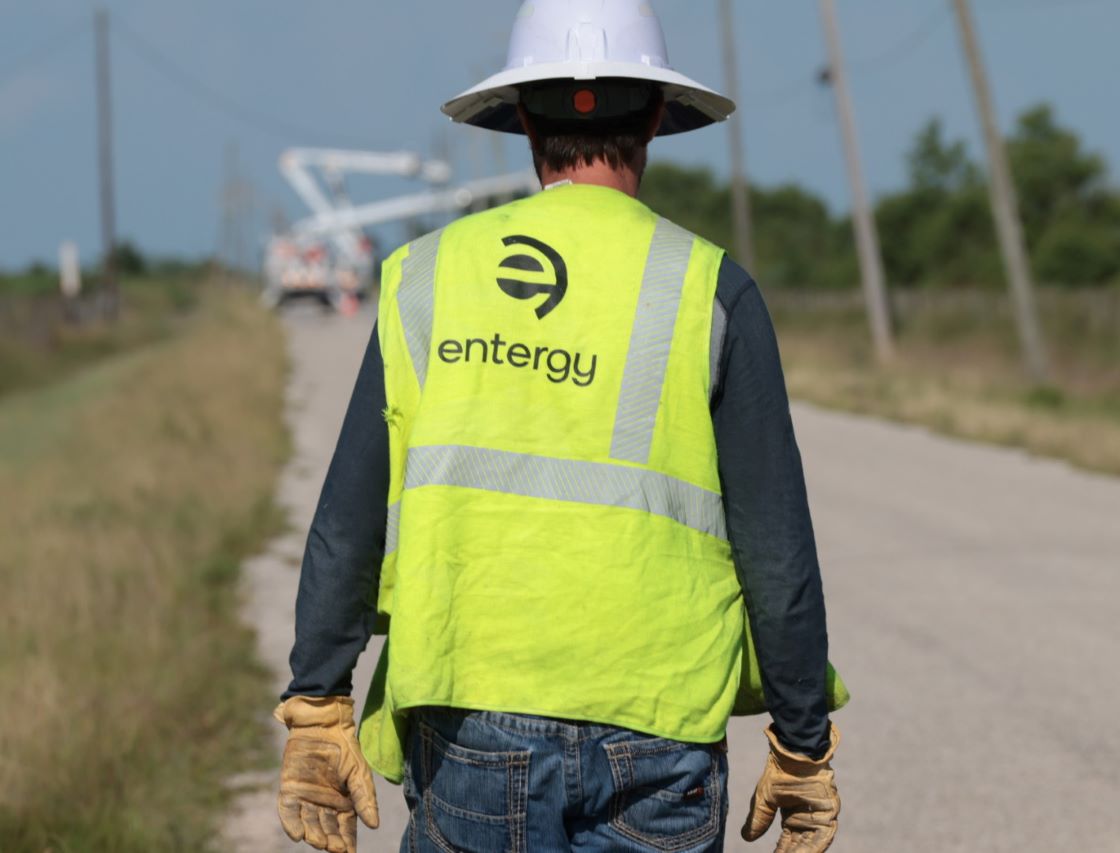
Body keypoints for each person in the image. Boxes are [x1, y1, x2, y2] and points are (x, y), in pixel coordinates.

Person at [273, 2, 847, 851]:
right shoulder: (711, 289)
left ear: (520, 118)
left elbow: (347, 520)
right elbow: (777, 548)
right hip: (660, 722)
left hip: (470, 716)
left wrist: (320, 701)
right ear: (657, 113)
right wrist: (802, 743)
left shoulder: (421, 279)